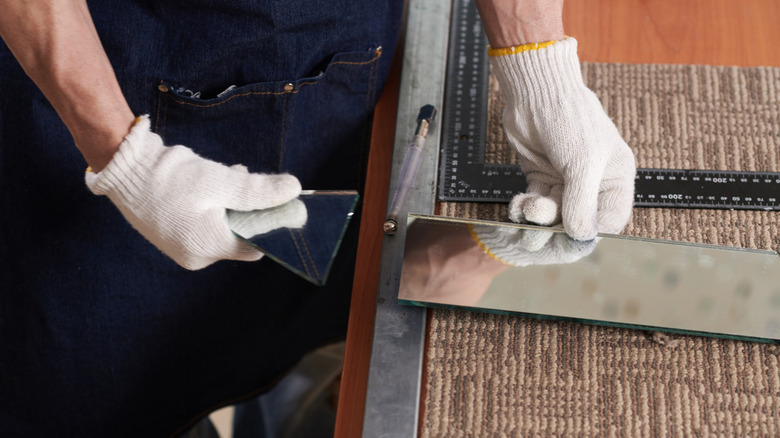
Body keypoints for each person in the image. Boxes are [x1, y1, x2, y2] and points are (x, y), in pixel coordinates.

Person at [0, 0, 634, 436]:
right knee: (102, 398)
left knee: (323, 337)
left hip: (334, 58)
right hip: (109, 69)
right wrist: (122, 153)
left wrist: (539, 63)